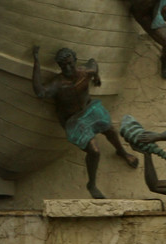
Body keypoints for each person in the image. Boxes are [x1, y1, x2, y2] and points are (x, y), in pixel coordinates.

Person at [31, 46, 138, 199]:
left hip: (89, 109)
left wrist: (97, 77)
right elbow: (40, 92)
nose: (68, 68)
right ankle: (91, 184)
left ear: (75, 61)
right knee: (94, 151)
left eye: (70, 64)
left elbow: (93, 63)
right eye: (64, 66)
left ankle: (121, 151)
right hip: (73, 120)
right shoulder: (58, 83)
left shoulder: (85, 72)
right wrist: (36, 61)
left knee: (110, 129)